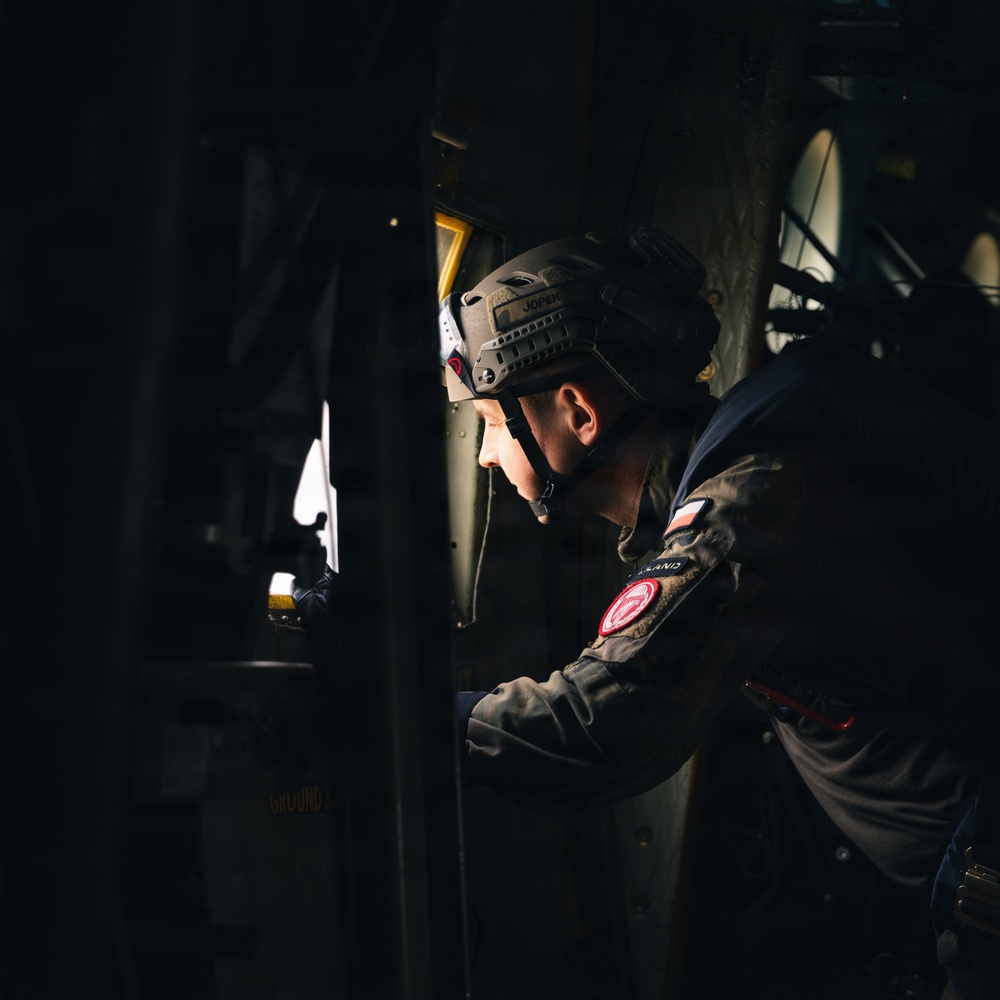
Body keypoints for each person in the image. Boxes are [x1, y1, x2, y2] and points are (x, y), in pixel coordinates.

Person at [295, 227, 1000, 999]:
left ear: (578, 412)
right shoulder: (753, 475)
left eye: (495, 424)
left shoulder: (745, 510)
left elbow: (604, 726)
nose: (487, 454)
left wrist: (397, 715)